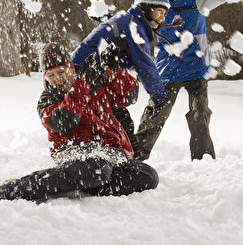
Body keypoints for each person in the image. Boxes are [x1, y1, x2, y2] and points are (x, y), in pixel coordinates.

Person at [0, 43, 158, 201]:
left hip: (108, 152)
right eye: (51, 75)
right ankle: (18, 188)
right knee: (96, 169)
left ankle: (87, 183)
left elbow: (129, 96)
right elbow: (65, 122)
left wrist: (113, 71)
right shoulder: (47, 100)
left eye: (61, 72)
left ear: (71, 68)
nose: (57, 79)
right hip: (73, 152)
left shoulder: (95, 82)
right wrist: (82, 86)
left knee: (148, 176)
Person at [134, 0, 243, 161]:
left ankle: (203, 160)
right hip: (167, 68)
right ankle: (135, 157)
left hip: (196, 67)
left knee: (200, 117)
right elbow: (135, 20)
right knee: (155, 116)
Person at [71, 0, 171, 151]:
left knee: (117, 120)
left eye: (165, 14)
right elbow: (145, 67)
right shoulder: (134, 28)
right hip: (88, 79)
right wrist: (159, 95)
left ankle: (121, 156)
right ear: (146, 8)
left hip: (89, 78)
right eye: (160, 11)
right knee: (120, 126)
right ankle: (127, 159)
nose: (162, 18)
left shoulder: (128, 21)